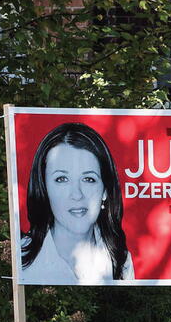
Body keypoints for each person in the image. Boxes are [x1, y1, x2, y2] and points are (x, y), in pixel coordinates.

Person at [20, 122, 133, 284]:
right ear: (44, 188)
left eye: (88, 179)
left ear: (105, 191)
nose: (77, 195)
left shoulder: (121, 261)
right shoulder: (19, 257)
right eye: (61, 179)